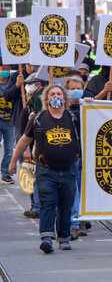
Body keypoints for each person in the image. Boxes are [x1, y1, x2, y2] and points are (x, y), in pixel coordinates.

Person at [9, 84, 81, 253]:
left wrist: (90, 102)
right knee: (48, 202)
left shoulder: (74, 117)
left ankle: (63, 237)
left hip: (69, 170)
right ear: (46, 98)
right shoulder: (38, 118)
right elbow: (25, 140)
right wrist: (13, 161)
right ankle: (47, 237)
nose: (55, 96)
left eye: (58, 93)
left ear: (64, 98)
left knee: (66, 205)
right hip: (46, 171)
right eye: (52, 94)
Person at [64, 76, 92, 240]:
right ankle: (75, 224)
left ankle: (82, 220)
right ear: (67, 90)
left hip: (86, 156)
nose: (76, 91)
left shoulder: (88, 106)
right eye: (72, 88)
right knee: (73, 192)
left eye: (79, 88)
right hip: (69, 156)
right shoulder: (63, 109)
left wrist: (91, 104)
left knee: (84, 191)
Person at [20, 73, 46, 219]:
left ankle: (36, 206)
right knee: (34, 176)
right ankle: (35, 205)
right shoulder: (30, 103)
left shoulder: (38, 99)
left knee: (35, 177)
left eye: (32, 83)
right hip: (33, 144)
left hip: (37, 145)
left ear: (39, 85)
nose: (28, 86)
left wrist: (31, 148)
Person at [0, 60, 14, 184]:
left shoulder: (13, 82)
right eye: (3, 68)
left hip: (10, 122)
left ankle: (6, 173)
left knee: (9, 150)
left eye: (7, 68)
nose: (5, 71)